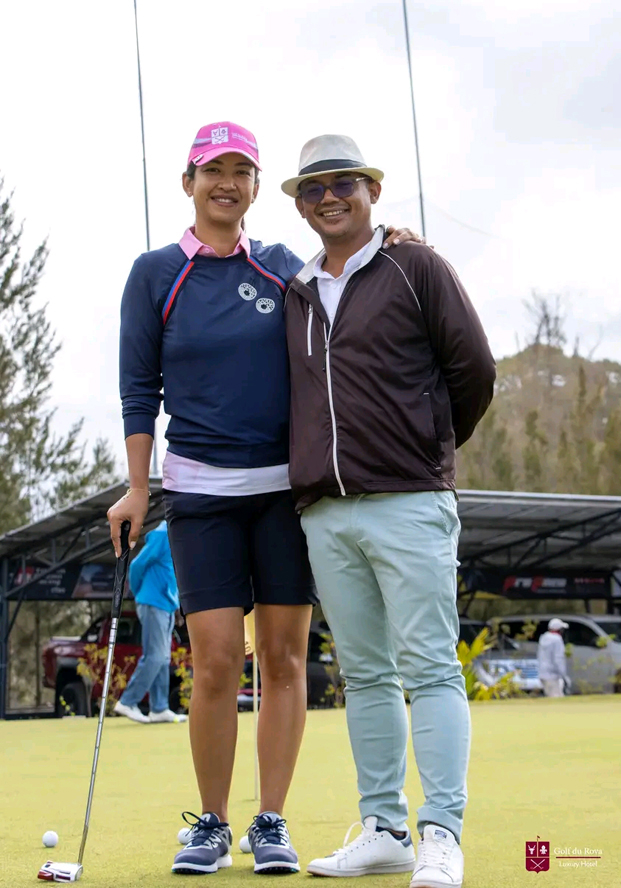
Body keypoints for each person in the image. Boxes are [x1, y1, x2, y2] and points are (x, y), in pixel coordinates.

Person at [106, 121, 418, 877]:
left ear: (254, 185)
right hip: (200, 498)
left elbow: (351, 277)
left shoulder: (285, 267)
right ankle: (211, 822)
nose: (227, 182)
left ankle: (269, 820)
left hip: (286, 496)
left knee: (282, 660)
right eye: (213, 169)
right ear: (188, 183)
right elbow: (137, 390)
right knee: (213, 663)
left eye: (242, 170)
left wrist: (393, 243)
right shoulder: (154, 274)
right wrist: (138, 486)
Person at [281, 134, 496, 888]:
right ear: (300, 204)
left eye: (343, 183)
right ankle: (385, 829)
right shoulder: (295, 289)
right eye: (312, 189)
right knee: (365, 678)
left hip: (409, 501)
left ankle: (442, 832)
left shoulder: (416, 267)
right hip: (327, 514)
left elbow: (472, 368)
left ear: (371, 190)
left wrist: (424, 447)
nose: (328, 197)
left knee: (430, 668)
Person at [114, 520, 187, 724]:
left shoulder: (179, 536)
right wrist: (140, 593)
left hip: (165, 604)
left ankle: (159, 708)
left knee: (163, 657)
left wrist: (176, 606)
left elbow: (170, 576)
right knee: (155, 656)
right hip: (152, 601)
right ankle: (127, 702)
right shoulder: (164, 534)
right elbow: (137, 565)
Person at [537, 618, 570, 697]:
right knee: (556, 697)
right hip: (552, 675)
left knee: (550, 695)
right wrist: (564, 675)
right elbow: (558, 659)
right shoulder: (557, 640)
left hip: (543, 673)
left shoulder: (543, 638)